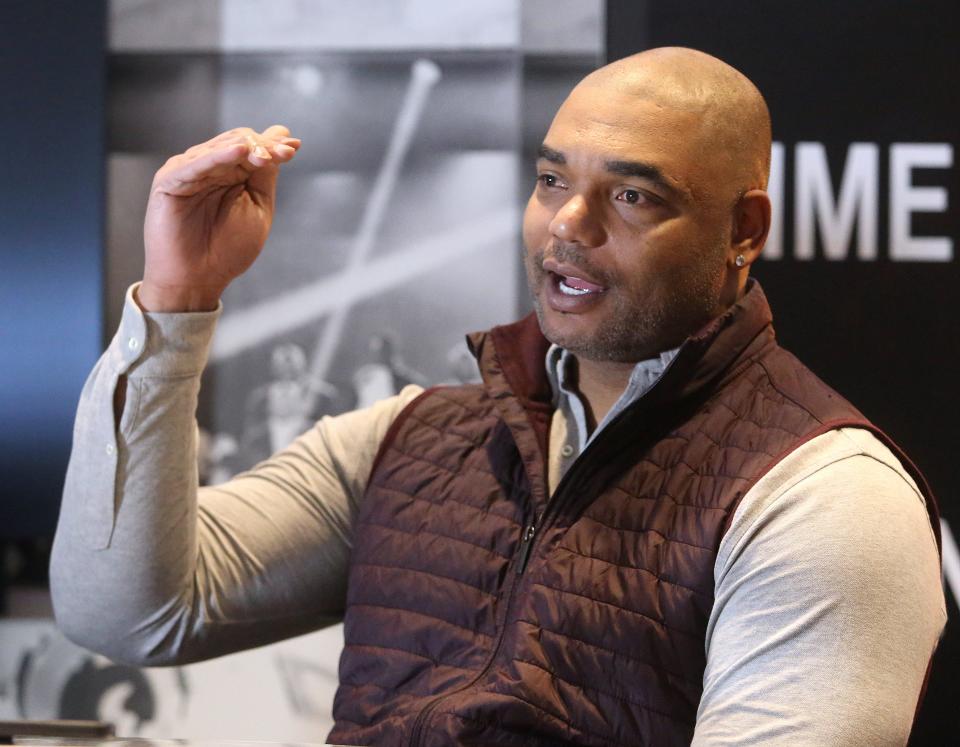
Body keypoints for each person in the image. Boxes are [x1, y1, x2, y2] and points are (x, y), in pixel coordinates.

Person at [51, 48, 946, 746]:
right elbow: (127, 610)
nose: (569, 225)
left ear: (742, 231)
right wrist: (173, 302)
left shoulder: (825, 496)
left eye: (630, 195)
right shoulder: (409, 435)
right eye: (553, 179)